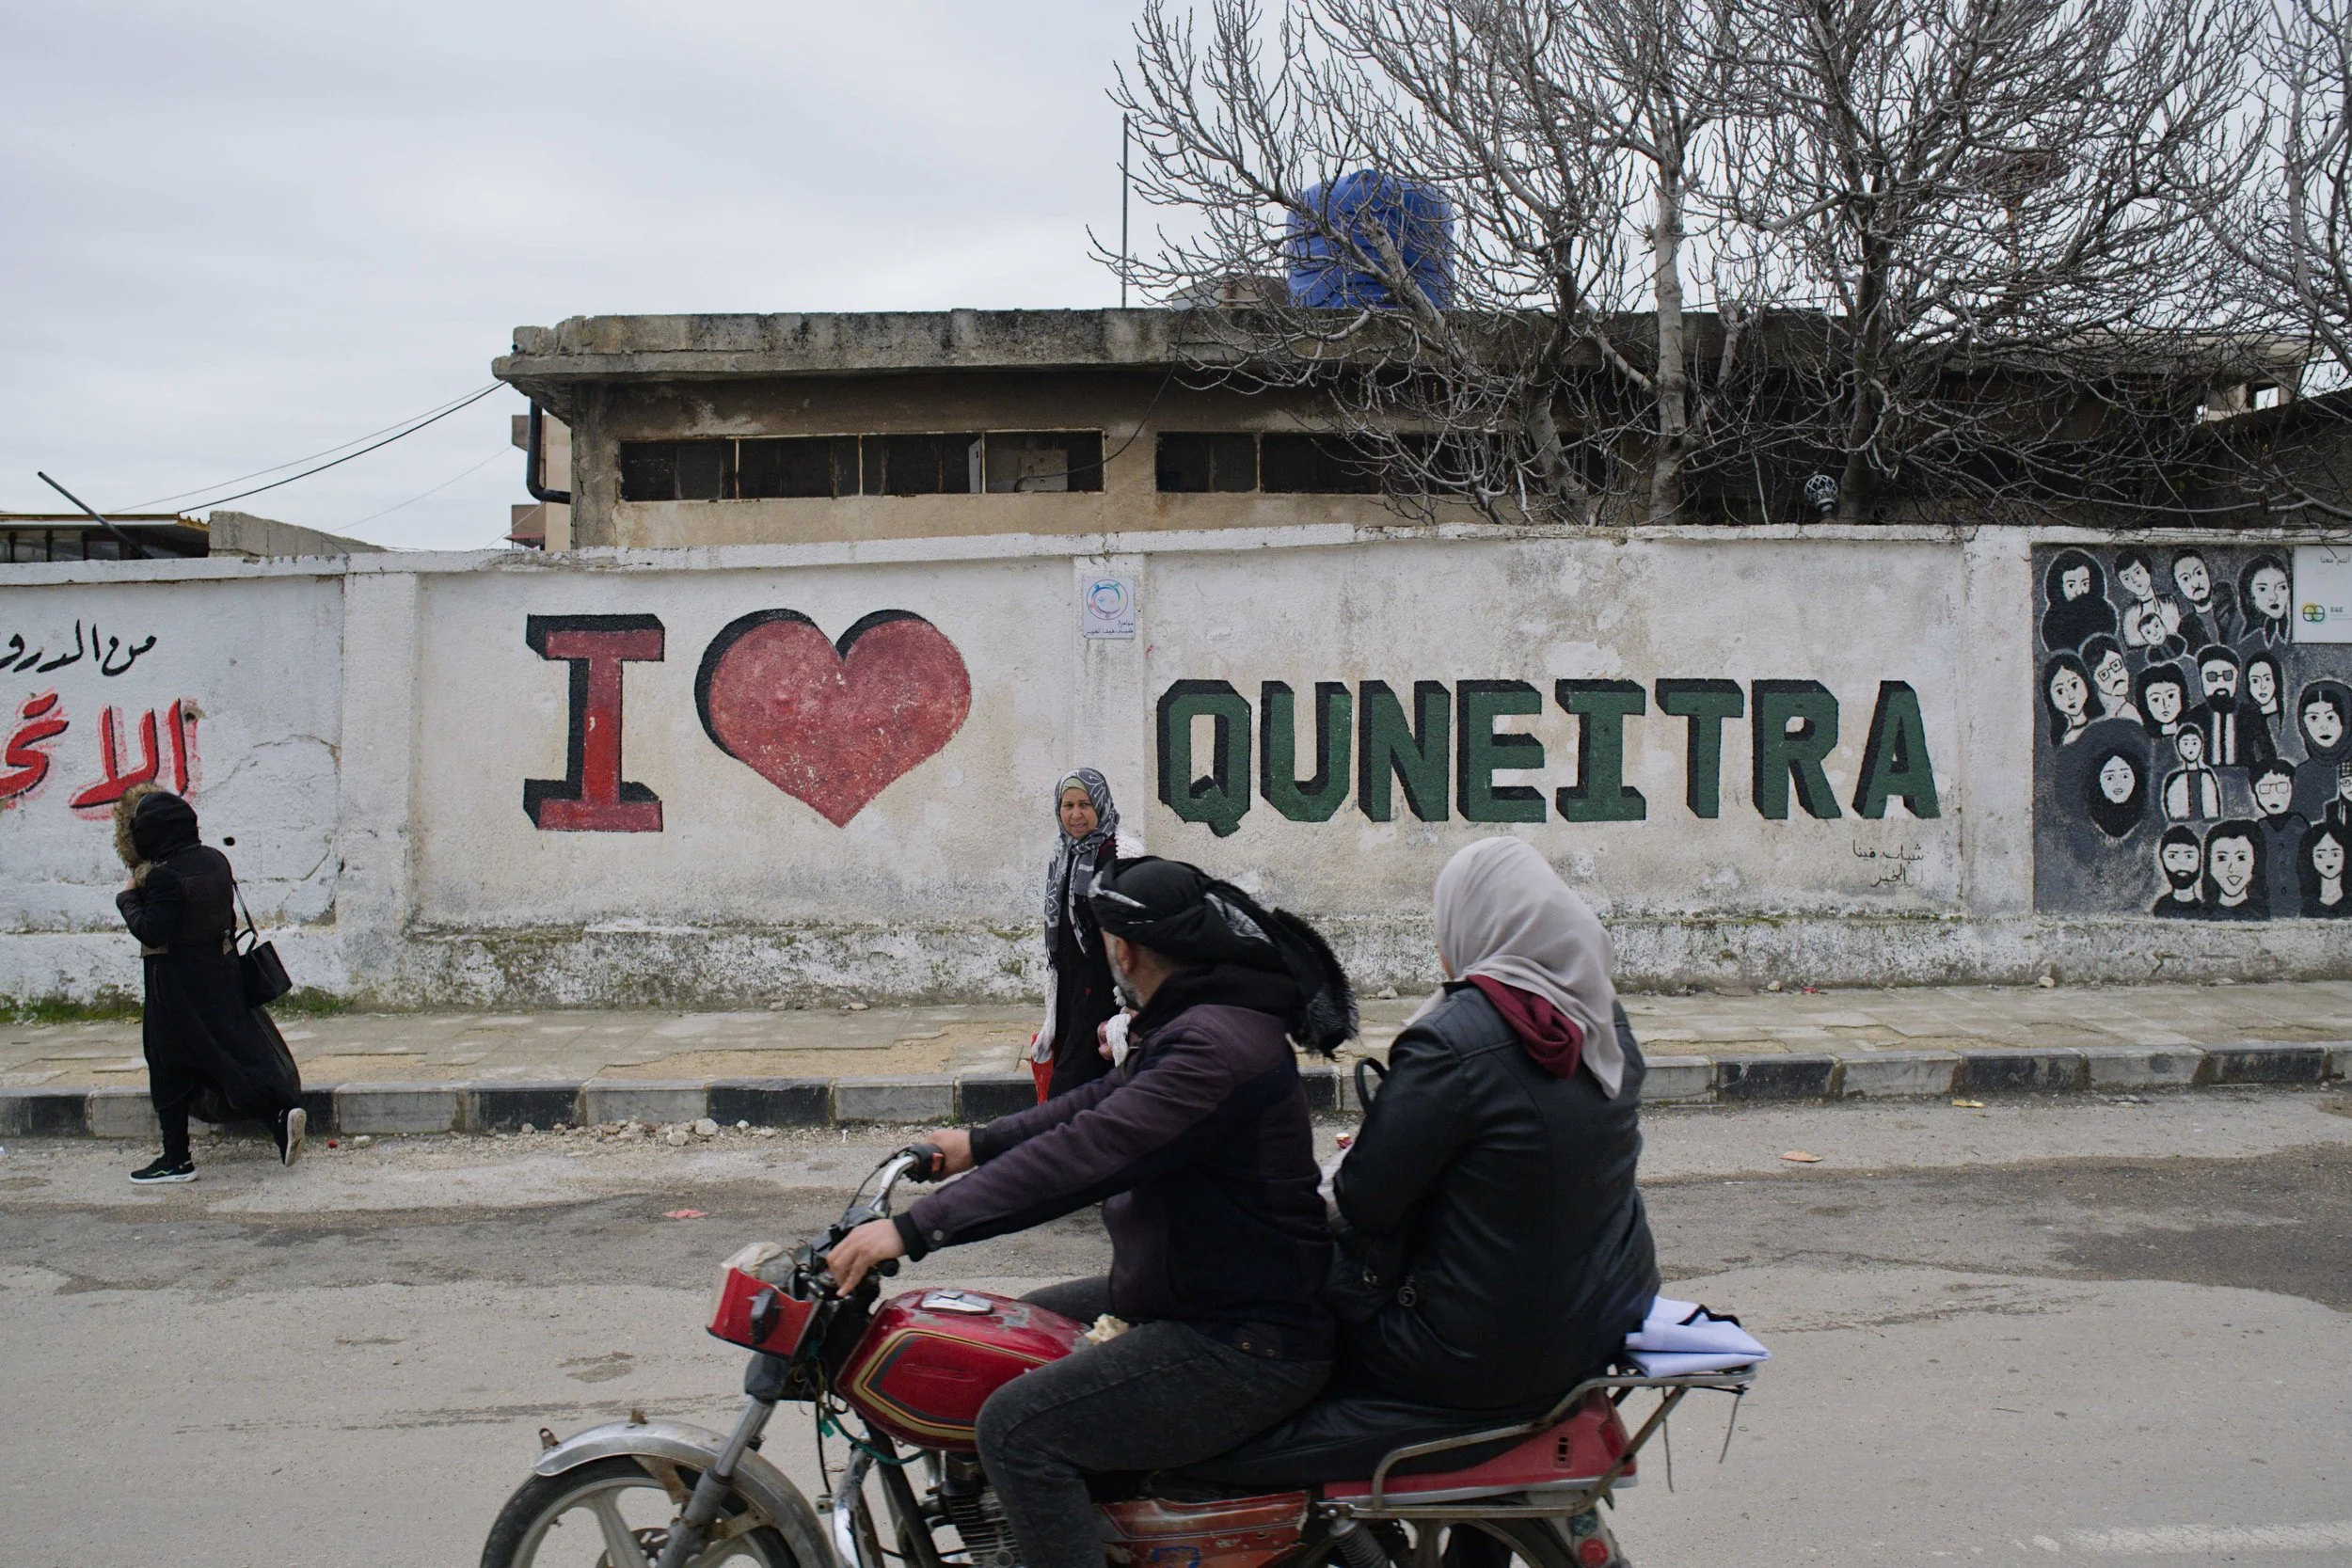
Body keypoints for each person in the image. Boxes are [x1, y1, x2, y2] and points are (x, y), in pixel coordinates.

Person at [823, 857, 1353, 1568]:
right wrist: (977, 1143)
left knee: (1016, 1428)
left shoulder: (1211, 1045)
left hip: (1245, 1336)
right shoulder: (1202, 1019)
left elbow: (1087, 1153)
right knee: (1019, 1326)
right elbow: (1095, 1105)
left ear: (1124, 948)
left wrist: (912, 1228)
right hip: (1207, 1286)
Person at [1327, 836, 1659, 1412]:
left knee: (1280, 1310)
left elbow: (1364, 1201)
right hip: (1606, 1319)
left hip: (1467, 1351)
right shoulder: (1600, 1018)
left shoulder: (1449, 1042)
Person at [111, 787, 304, 1182]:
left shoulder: (163, 877)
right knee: (227, 1055)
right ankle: (279, 1117)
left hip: (176, 985)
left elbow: (151, 930)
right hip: (221, 974)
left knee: (167, 1065)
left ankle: (176, 1159)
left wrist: (127, 899)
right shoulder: (215, 860)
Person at [1030, 768, 1137, 1101]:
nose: (1075, 815)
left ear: (1101, 805)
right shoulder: (1063, 854)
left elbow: (1139, 928)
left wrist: (1134, 1003)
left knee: (1072, 1083)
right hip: (1071, 988)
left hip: (1107, 989)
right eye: (1068, 805)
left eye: (1085, 805)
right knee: (1090, 1081)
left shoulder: (1122, 854)